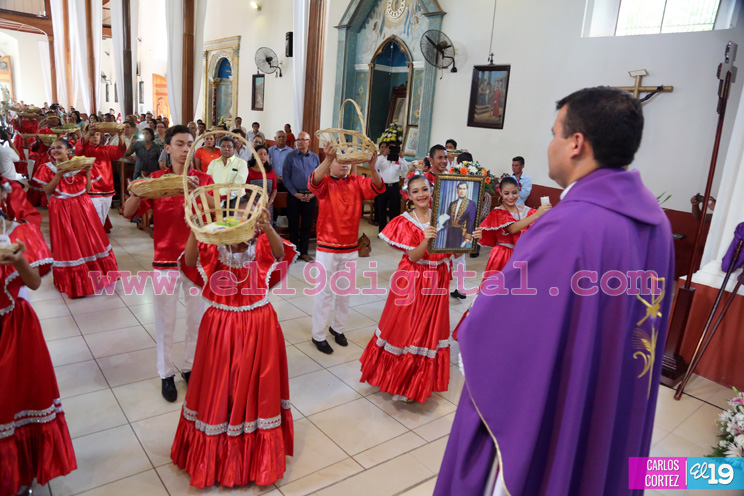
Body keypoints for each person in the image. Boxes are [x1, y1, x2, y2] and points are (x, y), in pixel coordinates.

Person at [435, 87, 675, 496]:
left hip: (563, 403)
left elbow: (502, 328)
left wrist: (478, 320)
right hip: (613, 394)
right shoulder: (656, 225)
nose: (550, 145)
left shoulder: (569, 225)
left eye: (554, 134)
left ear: (576, 144)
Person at [171, 204, 297, 488]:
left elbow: (280, 254)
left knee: (255, 384)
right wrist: (194, 230)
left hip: (259, 324)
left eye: (248, 217)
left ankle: (253, 456)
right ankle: (216, 453)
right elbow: (189, 261)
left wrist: (268, 228)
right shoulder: (214, 246)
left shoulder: (261, 243)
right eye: (235, 216)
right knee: (219, 383)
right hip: (221, 325)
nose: (241, 221)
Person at [360, 172, 481, 402]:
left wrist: (470, 239)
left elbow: (455, 253)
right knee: (407, 326)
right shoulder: (405, 221)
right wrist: (426, 239)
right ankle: (398, 379)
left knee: (428, 329)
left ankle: (416, 383)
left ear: (432, 190)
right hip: (413, 278)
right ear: (408, 195)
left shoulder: (446, 217)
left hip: (438, 278)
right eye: (415, 191)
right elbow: (414, 257)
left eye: (425, 189)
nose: (421, 194)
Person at [122, 125, 213, 402]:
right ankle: (165, 373)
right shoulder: (157, 180)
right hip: (165, 260)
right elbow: (127, 213)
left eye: (189, 144)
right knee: (165, 321)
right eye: (180, 144)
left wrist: (200, 192)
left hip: (197, 261)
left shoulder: (204, 179)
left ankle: (190, 367)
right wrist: (136, 192)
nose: (185, 149)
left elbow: (217, 212)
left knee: (196, 319)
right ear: (169, 148)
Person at [0, 183, 77, 496]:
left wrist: (18, 261)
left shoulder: (16, 232)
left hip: (15, 328)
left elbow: (32, 283)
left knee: (16, 396)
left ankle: (18, 470)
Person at [308, 144, 384, 354]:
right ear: (331, 163)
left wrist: (373, 167)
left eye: (347, 161)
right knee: (324, 293)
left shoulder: (356, 181)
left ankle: (338, 328)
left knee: (345, 292)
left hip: (350, 247)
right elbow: (313, 182)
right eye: (339, 160)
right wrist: (327, 158)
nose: (344, 165)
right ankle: (318, 335)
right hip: (327, 247)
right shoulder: (325, 182)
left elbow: (377, 187)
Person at [33, 139, 119, 298]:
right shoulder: (46, 168)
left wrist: (87, 172)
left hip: (83, 205)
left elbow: (87, 188)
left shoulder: (80, 164)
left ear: (68, 151)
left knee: (89, 238)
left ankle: (97, 274)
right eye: (52, 148)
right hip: (61, 207)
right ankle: (76, 281)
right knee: (68, 241)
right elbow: (48, 191)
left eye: (59, 147)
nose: (55, 150)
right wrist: (58, 175)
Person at [479, 176, 550, 283]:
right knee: (498, 287)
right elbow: (513, 228)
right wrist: (538, 214)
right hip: (503, 255)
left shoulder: (524, 210)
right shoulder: (498, 212)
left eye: (514, 192)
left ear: (519, 191)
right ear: (500, 193)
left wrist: (546, 212)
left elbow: (540, 221)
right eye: (506, 193)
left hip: (520, 254)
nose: (511, 196)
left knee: (519, 287)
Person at [75, 127, 126, 225]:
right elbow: (79, 148)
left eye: (97, 134)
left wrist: (120, 135)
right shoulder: (84, 150)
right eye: (92, 135)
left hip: (107, 187)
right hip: (92, 188)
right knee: (97, 218)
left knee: (103, 217)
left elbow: (120, 151)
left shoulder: (106, 149)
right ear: (87, 135)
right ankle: (97, 235)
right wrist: (89, 133)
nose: (95, 137)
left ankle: (98, 234)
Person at [283, 132, 319, 262]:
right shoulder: (290, 156)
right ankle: (293, 252)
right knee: (293, 225)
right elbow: (286, 177)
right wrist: (295, 193)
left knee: (307, 225)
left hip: (310, 195)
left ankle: (304, 252)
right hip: (294, 195)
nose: (300, 142)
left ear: (309, 142)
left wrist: (313, 193)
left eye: (303, 139)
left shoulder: (315, 157)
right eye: (298, 139)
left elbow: (319, 177)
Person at [373, 141, 407, 232]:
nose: (392, 150)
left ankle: (392, 232)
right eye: (390, 148)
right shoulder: (382, 158)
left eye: (394, 148)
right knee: (382, 209)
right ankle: (382, 231)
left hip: (395, 186)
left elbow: (405, 169)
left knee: (394, 210)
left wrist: (402, 158)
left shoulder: (398, 159)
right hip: (383, 186)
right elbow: (375, 167)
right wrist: (384, 155)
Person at [206, 136, 249, 206]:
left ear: (234, 149)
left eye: (229, 147)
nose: (226, 149)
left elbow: (238, 184)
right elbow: (208, 182)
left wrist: (224, 199)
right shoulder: (213, 163)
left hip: (235, 200)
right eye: (223, 146)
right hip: (215, 199)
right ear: (220, 148)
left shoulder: (241, 163)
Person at [437, 181, 477, 249]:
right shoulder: (452, 204)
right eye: (460, 188)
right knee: (448, 251)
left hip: (461, 233)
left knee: (458, 252)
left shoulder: (471, 204)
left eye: (464, 189)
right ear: (457, 190)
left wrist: (468, 237)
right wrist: (440, 224)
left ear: (466, 190)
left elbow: (471, 221)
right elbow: (448, 218)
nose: (462, 191)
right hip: (450, 232)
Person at [247, 144, 277, 219]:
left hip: (267, 205)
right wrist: (255, 203)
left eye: (265, 154)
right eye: (260, 154)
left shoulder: (270, 171)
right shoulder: (248, 171)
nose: (263, 156)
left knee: (267, 224)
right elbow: (246, 192)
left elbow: (274, 190)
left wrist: (269, 203)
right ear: (254, 156)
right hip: (252, 205)